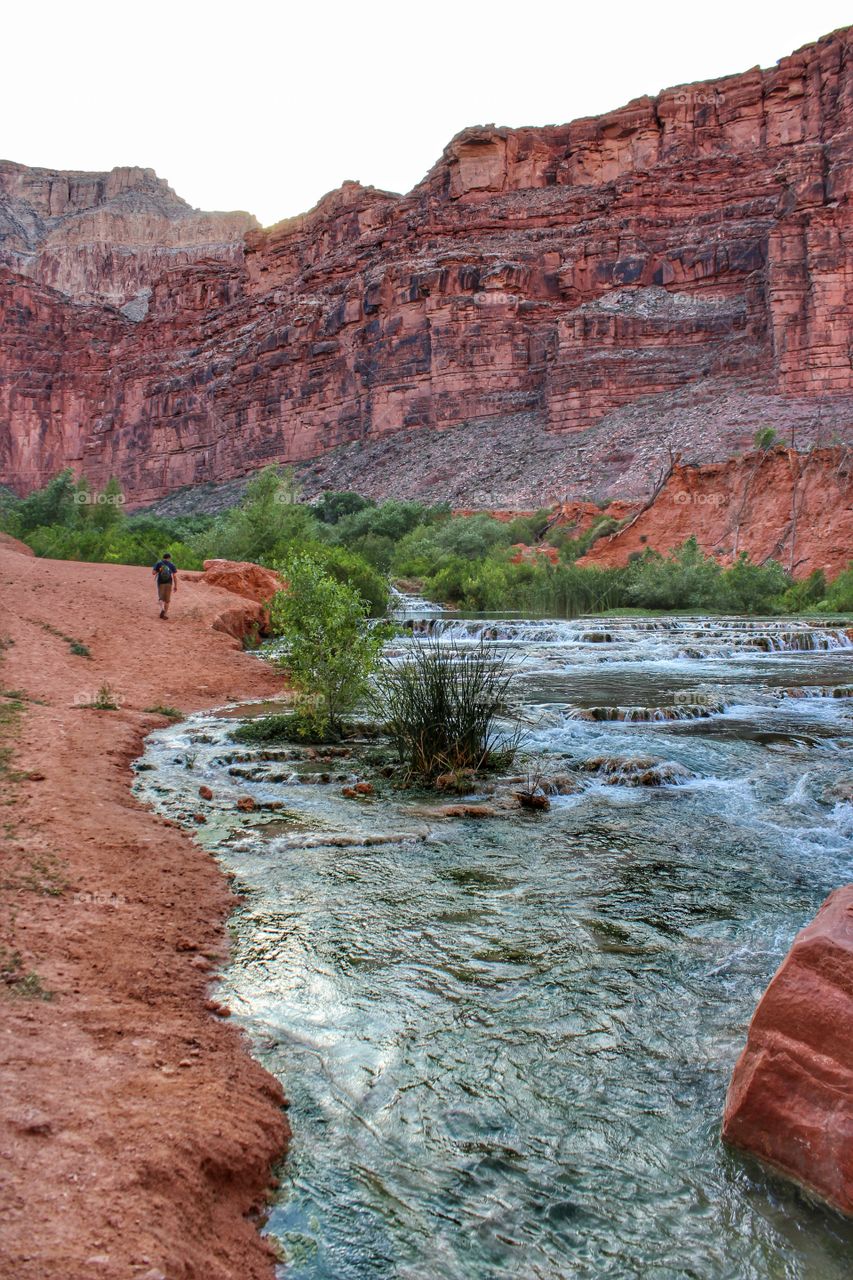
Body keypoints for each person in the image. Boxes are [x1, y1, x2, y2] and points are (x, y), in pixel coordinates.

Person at [152, 553, 178, 619]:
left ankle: (162, 609)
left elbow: (153, 573)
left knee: (161, 598)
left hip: (161, 583)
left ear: (163, 557)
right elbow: (174, 576)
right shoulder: (172, 565)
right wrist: (175, 586)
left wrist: (159, 570)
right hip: (169, 583)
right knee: (167, 600)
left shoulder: (159, 563)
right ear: (169, 558)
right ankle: (165, 614)